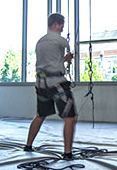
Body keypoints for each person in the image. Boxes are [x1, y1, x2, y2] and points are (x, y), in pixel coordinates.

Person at [24, 13, 77, 160]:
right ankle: (67, 153)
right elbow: (62, 57)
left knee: (40, 115)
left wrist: (63, 60)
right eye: (61, 25)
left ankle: (28, 145)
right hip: (57, 84)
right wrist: (68, 59)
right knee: (69, 117)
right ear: (55, 25)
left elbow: (50, 60)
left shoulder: (39, 42)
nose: (62, 28)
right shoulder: (61, 40)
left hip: (41, 85)